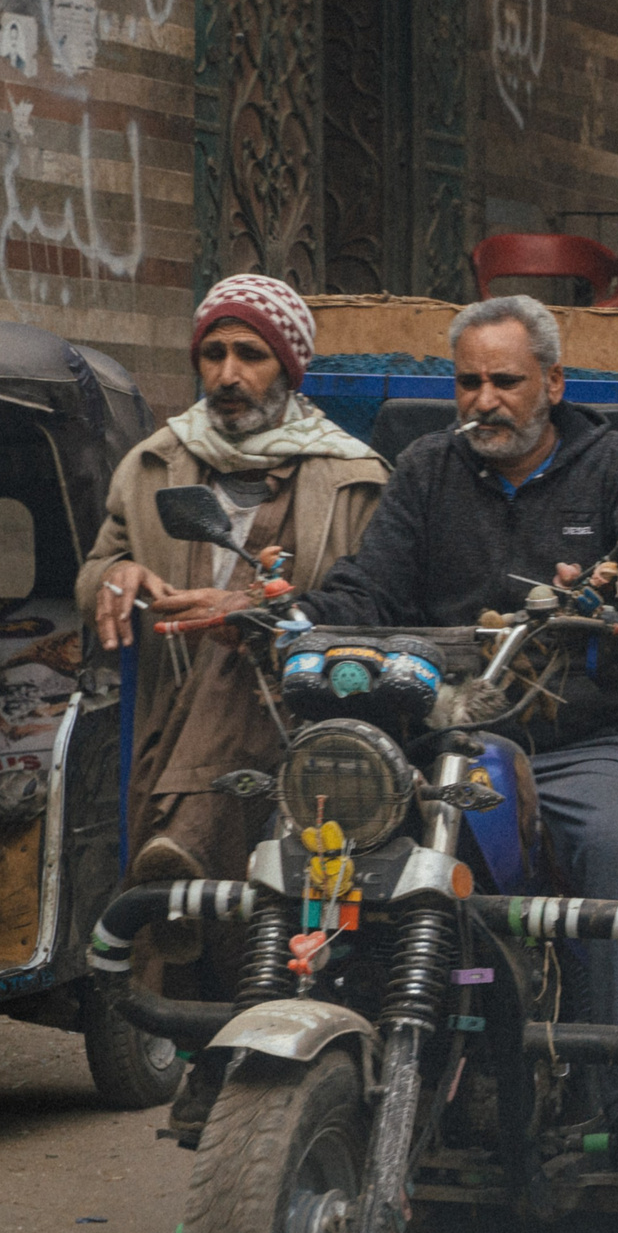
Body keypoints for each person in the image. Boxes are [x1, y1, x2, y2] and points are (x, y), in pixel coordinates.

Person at [299, 295, 618, 1178]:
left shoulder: (616, 465)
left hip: (579, 736)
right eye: (468, 381)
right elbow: (367, 586)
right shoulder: (424, 469)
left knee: (612, 848)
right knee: (322, 833)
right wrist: (309, 621)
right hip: (438, 731)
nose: (483, 400)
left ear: (553, 385)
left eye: (505, 381)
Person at [78, 275, 388, 890]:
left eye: (251, 355)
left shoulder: (356, 477)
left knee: (247, 628)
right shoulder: (151, 464)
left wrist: (253, 613)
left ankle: (184, 839)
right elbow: (94, 571)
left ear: (289, 368)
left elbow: (373, 602)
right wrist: (117, 574)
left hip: (300, 720)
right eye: (213, 355)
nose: (227, 375)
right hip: (167, 703)